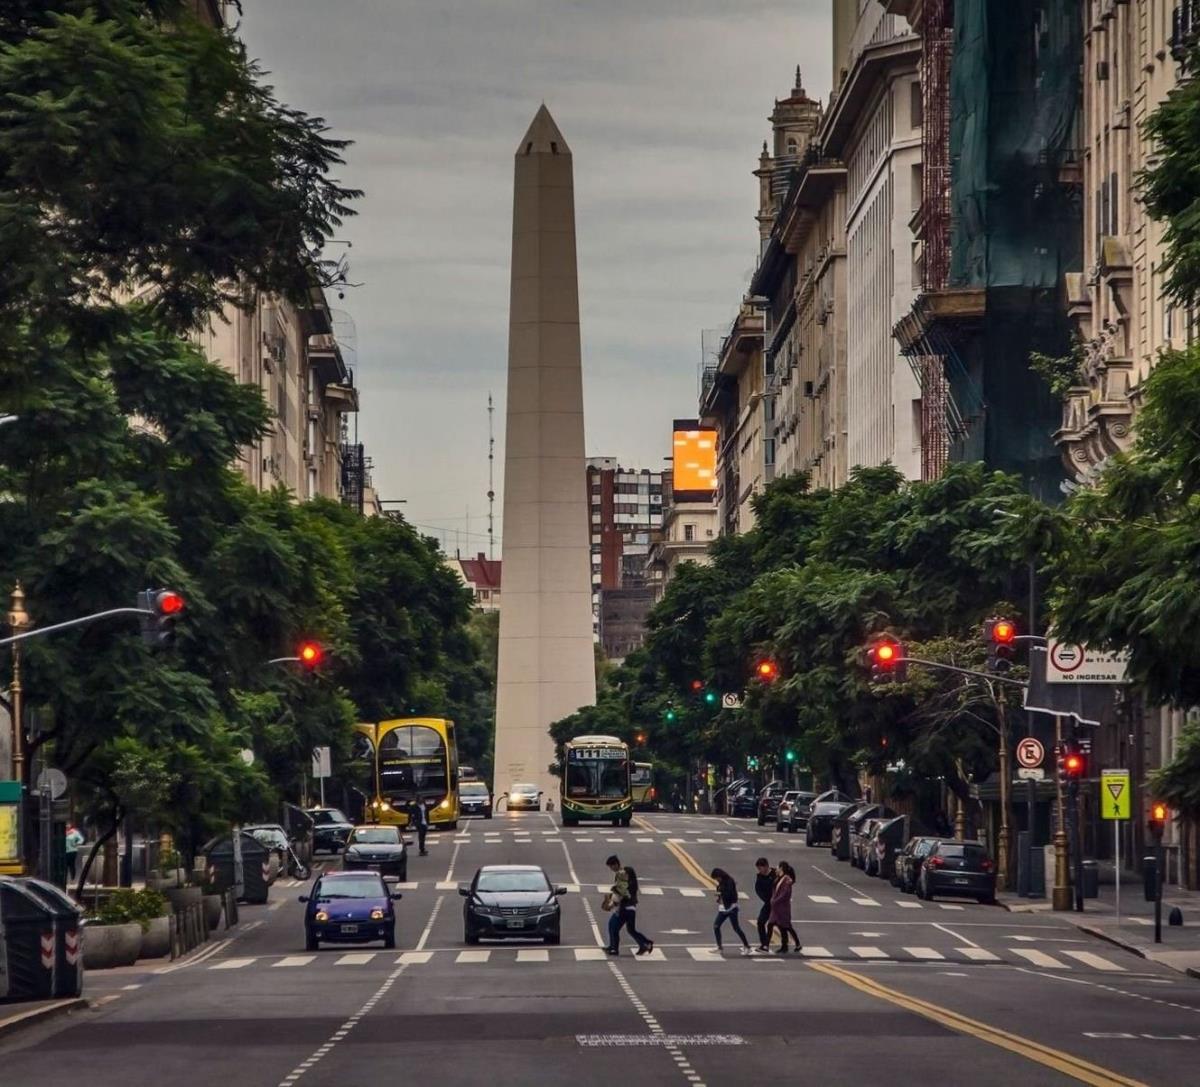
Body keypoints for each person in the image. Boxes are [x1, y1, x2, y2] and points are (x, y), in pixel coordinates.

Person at [604, 854, 652, 956]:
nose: (611, 869)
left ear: (616, 864)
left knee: (613, 925)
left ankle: (614, 948)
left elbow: (622, 891)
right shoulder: (625, 873)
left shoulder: (622, 873)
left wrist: (612, 903)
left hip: (625, 907)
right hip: (630, 906)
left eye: (611, 866)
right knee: (630, 929)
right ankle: (645, 944)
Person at [710, 868, 751, 956]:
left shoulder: (729, 881)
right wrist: (719, 897)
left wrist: (720, 894)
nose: (717, 880)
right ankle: (719, 947)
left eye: (717, 878)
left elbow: (730, 894)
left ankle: (747, 946)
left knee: (736, 928)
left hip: (731, 908)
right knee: (716, 926)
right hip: (722, 908)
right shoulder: (721, 883)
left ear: (720, 875)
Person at [769, 860, 801, 954]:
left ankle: (793, 944)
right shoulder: (779, 878)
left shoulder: (786, 879)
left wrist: (775, 901)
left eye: (778, 867)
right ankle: (783, 946)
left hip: (782, 907)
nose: (777, 869)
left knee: (785, 926)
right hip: (777, 906)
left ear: (782, 868)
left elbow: (785, 893)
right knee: (778, 925)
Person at [753, 857, 778, 952]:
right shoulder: (759, 877)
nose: (760, 871)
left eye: (761, 868)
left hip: (778, 903)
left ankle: (793, 943)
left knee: (781, 925)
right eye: (758, 869)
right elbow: (758, 889)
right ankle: (764, 944)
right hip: (768, 903)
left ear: (767, 866)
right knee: (760, 922)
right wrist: (766, 899)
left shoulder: (775, 874)